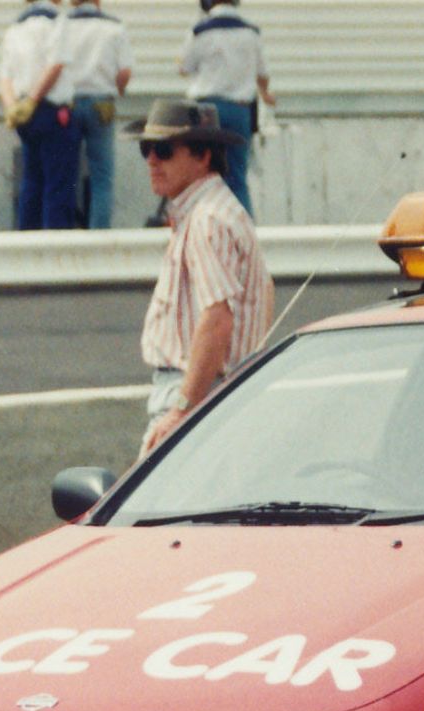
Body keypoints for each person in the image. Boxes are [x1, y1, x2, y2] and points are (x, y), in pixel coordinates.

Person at [125, 101, 274, 451]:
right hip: (214, 392)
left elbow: (217, 318)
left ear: (203, 156)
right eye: (146, 149)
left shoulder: (207, 219)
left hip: (194, 393)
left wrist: (181, 409)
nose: (151, 161)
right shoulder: (216, 212)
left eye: (163, 150)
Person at [179, 0, 277, 218]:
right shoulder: (251, 32)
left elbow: (183, 68)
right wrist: (265, 93)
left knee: (203, 175)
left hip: (206, 110)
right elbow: (263, 74)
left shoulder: (200, 30)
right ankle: (243, 235)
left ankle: (204, 228)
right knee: (237, 176)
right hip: (239, 110)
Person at [0, 0, 81, 230]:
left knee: (31, 183)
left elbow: (5, 76)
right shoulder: (57, 21)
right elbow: (55, 65)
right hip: (52, 111)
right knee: (58, 185)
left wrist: (13, 107)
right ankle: (56, 251)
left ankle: (27, 246)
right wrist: (34, 101)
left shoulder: (15, 28)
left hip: (24, 115)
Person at [65, 0, 135, 229]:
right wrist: (118, 91)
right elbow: (124, 72)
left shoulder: (62, 26)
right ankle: (99, 236)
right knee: (101, 176)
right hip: (102, 105)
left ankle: (65, 231)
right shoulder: (114, 27)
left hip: (69, 104)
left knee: (66, 174)